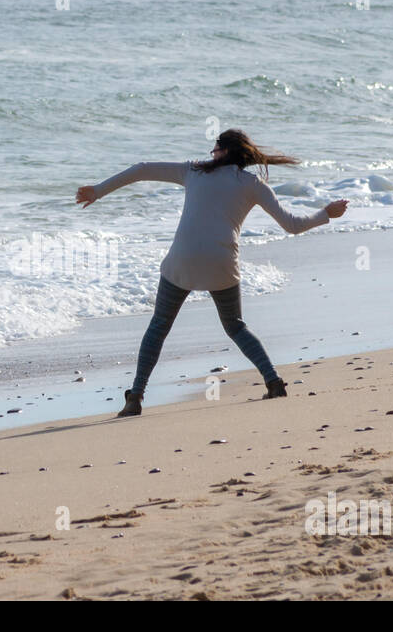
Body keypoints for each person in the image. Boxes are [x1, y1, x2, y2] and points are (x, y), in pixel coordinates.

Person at [75, 129, 348, 417]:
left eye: (215, 148)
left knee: (159, 326)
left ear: (226, 151)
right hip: (221, 262)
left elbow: (142, 170)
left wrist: (99, 190)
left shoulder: (192, 171)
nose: (211, 153)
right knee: (236, 327)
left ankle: (136, 397)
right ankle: (273, 381)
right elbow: (292, 225)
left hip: (183, 259)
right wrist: (326, 213)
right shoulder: (253, 183)